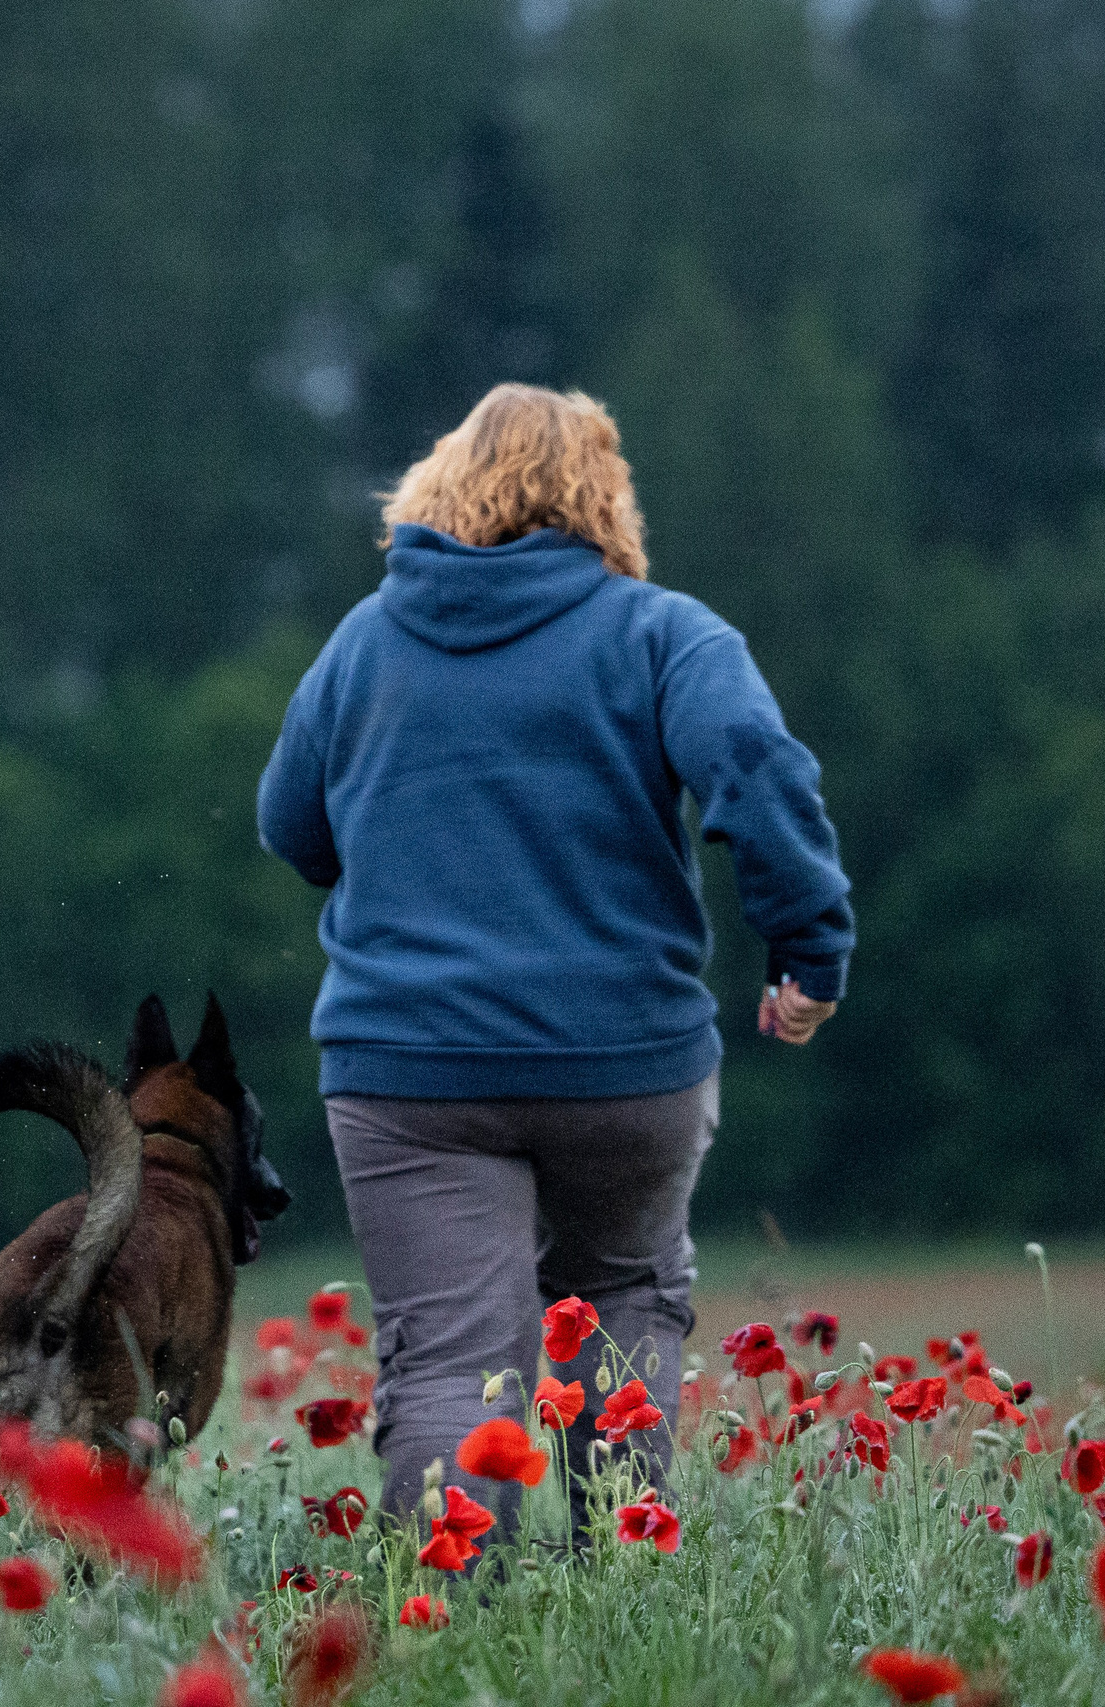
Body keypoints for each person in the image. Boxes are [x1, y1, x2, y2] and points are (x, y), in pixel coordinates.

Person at [255, 383, 853, 1545]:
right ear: (602, 499)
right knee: (623, 1304)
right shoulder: (663, 632)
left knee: (446, 1366)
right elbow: (756, 764)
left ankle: (443, 1624)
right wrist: (809, 950)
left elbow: (292, 829)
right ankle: (619, 1603)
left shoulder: (364, 640)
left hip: (407, 1074)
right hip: (624, 1062)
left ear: (436, 484)